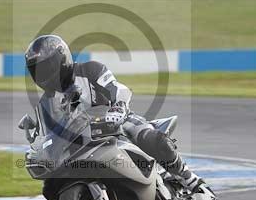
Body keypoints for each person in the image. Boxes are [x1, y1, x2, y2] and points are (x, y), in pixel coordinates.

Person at [24, 34, 204, 191]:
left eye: (47, 67)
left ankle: (189, 179)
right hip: (82, 143)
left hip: (115, 123)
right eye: (37, 70)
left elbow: (119, 90)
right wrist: (37, 148)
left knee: (148, 137)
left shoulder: (90, 70)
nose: (43, 75)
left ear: (61, 59)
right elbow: (47, 135)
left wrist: (117, 109)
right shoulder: (46, 103)